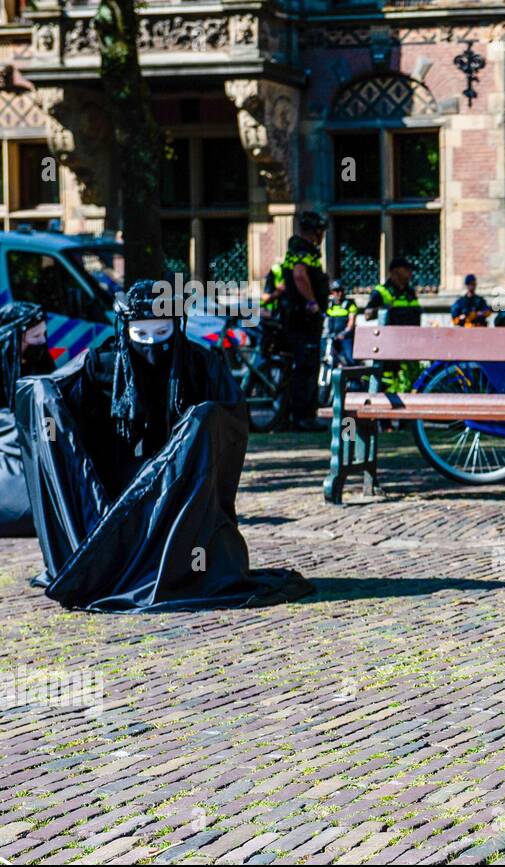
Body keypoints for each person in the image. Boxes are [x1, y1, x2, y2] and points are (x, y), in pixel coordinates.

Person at [13, 280, 313, 612]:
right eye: (141, 336)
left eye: (162, 333)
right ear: (126, 329)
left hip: (184, 488)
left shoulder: (199, 364)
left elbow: (228, 417)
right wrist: (41, 399)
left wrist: (198, 428)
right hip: (120, 484)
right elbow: (61, 397)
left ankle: (181, 565)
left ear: (176, 326)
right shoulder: (103, 364)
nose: (152, 345)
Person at [0, 301, 54, 536]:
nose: (42, 342)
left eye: (43, 334)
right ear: (14, 338)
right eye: (35, 336)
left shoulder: (40, 365)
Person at [281, 211, 330, 431]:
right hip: (303, 319)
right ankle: (303, 418)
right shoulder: (302, 249)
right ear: (315, 231)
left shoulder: (296, 249)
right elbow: (300, 275)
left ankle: (297, 414)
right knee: (306, 366)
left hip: (297, 317)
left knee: (302, 365)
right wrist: (312, 302)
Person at [365, 256, 422, 328]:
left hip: (411, 335)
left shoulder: (410, 291)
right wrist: (385, 310)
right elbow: (367, 315)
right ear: (395, 271)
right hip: (391, 336)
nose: (410, 272)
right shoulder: (380, 291)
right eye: (406, 269)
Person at [324, 280, 357, 364]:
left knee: (350, 359)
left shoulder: (350, 304)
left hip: (345, 337)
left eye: (341, 290)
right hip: (332, 337)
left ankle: (354, 375)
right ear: (332, 292)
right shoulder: (329, 306)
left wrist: (344, 333)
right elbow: (325, 320)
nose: (340, 293)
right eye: (337, 291)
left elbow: (351, 322)